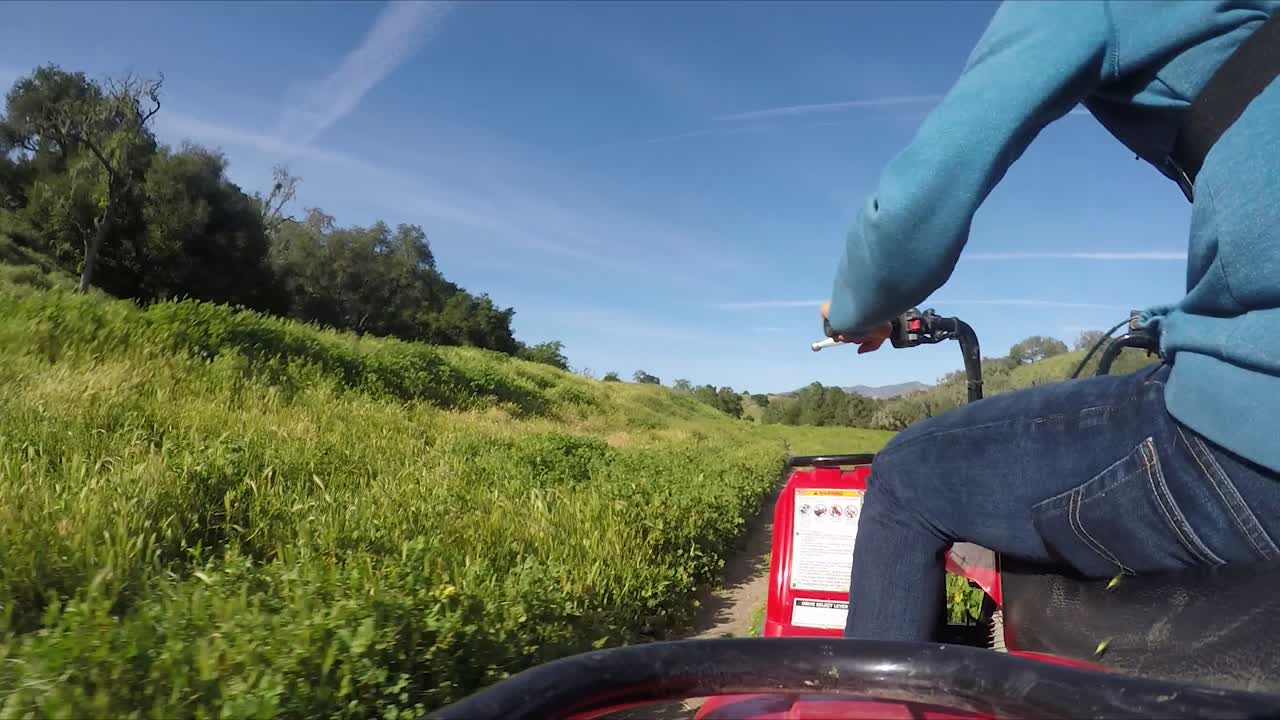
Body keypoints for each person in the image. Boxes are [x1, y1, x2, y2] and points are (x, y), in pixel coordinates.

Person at [820, 0, 1280, 642]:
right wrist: (1163, 320)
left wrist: (857, 312)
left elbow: (908, 216)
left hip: (1256, 437)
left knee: (904, 477)